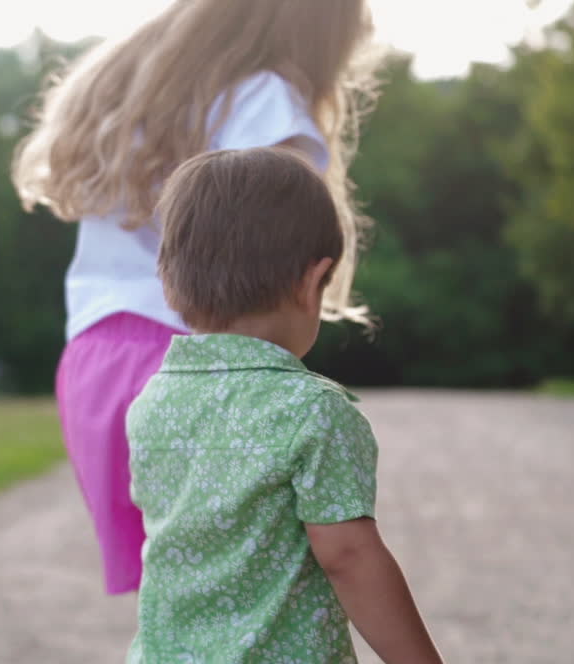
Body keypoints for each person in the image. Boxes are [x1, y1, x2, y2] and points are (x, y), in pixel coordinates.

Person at [11, 0, 377, 595]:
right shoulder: (264, 100)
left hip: (97, 366)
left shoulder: (131, 86)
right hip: (202, 361)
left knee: (183, 598)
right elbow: (278, 240)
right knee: (263, 597)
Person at [127, 148, 441, 663]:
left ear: (169, 282)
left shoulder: (152, 401)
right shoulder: (313, 412)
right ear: (312, 282)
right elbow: (348, 556)